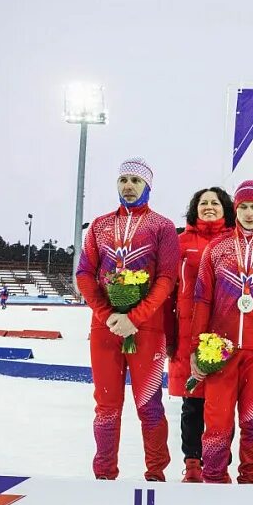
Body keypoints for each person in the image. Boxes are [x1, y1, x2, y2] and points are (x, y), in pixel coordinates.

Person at [75, 157, 178, 481]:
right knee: (106, 406)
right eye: (124, 181)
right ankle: (104, 474)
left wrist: (136, 317)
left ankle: (156, 474)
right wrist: (108, 315)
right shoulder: (99, 225)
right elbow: (84, 274)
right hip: (106, 327)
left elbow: (166, 279)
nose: (129, 187)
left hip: (146, 328)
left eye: (136, 181)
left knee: (149, 405)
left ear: (148, 186)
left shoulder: (162, 227)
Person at [189, 180, 253, 483]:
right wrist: (197, 347)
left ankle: (250, 479)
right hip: (220, 350)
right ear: (236, 210)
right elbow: (202, 301)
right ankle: (215, 480)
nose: (249, 213)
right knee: (217, 422)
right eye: (244, 207)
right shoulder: (216, 249)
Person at [166, 187, 235, 482]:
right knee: (192, 402)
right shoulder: (179, 243)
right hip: (186, 332)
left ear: (226, 209)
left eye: (215, 203)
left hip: (224, 332)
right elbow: (168, 293)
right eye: (203, 203)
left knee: (222, 402)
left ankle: (219, 463)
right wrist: (170, 337)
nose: (209, 207)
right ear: (194, 209)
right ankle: (193, 462)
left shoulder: (235, 242)